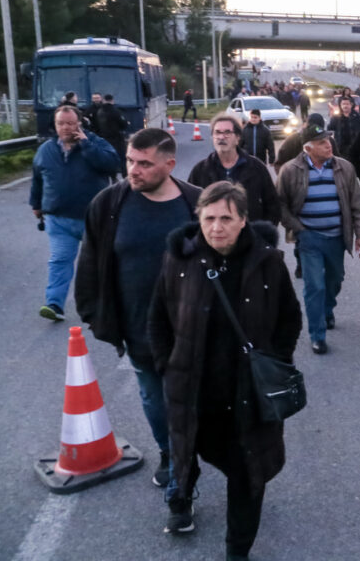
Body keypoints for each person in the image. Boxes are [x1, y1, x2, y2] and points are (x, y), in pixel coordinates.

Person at [148, 182, 302, 557]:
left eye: (226, 219)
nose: (216, 227)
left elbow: (289, 320)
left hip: (246, 395)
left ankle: (238, 548)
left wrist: (274, 363)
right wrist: (168, 366)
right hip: (194, 389)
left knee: (246, 472)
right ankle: (181, 501)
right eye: (209, 218)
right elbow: (158, 319)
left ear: (243, 220)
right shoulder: (180, 260)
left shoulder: (267, 263)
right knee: (186, 452)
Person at [74, 128, 202, 494]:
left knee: (188, 400)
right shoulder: (108, 204)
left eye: (144, 164)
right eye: (131, 160)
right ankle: (171, 452)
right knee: (153, 398)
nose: (134, 170)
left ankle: (185, 459)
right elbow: (91, 261)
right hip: (138, 328)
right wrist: (93, 312)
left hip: (190, 328)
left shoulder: (195, 202)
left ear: (169, 164)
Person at [277, 124, 360, 353]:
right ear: (308, 148)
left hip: (337, 237)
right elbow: (280, 204)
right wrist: (298, 229)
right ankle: (317, 334)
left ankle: (327, 310)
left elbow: (357, 203)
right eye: (321, 142)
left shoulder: (344, 168)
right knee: (314, 286)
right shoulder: (290, 170)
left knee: (335, 280)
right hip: (309, 239)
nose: (328, 145)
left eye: (328, 140)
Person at [30, 105, 120, 321]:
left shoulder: (94, 142)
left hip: (93, 219)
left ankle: (107, 304)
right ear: (55, 125)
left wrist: (86, 145)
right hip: (58, 219)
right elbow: (37, 179)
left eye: (70, 123)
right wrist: (36, 204)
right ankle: (54, 304)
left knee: (101, 263)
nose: (66, 127)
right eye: (61, 123)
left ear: (79, 123)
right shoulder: (46, 150)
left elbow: (113, 164)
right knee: (60, 261)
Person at [189, 113, 280, 226]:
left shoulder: (256, 167)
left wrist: (263, 235)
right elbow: (190, 207)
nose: (221, 137)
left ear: (238, 138)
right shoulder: (201, 170)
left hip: (249, 238)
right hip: (213, 237)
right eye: (217, 132)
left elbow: (273, 205)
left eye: (227, 132)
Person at [96, 93, 130, 176]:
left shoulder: (99, 112)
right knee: (122, 158)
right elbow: (123, 124)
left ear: (103, 100)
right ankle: (125, 176)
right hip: (117, 138)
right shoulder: (116, 111)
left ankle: (111, 175)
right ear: (112, 101)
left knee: (109, 158)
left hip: (105, 138)